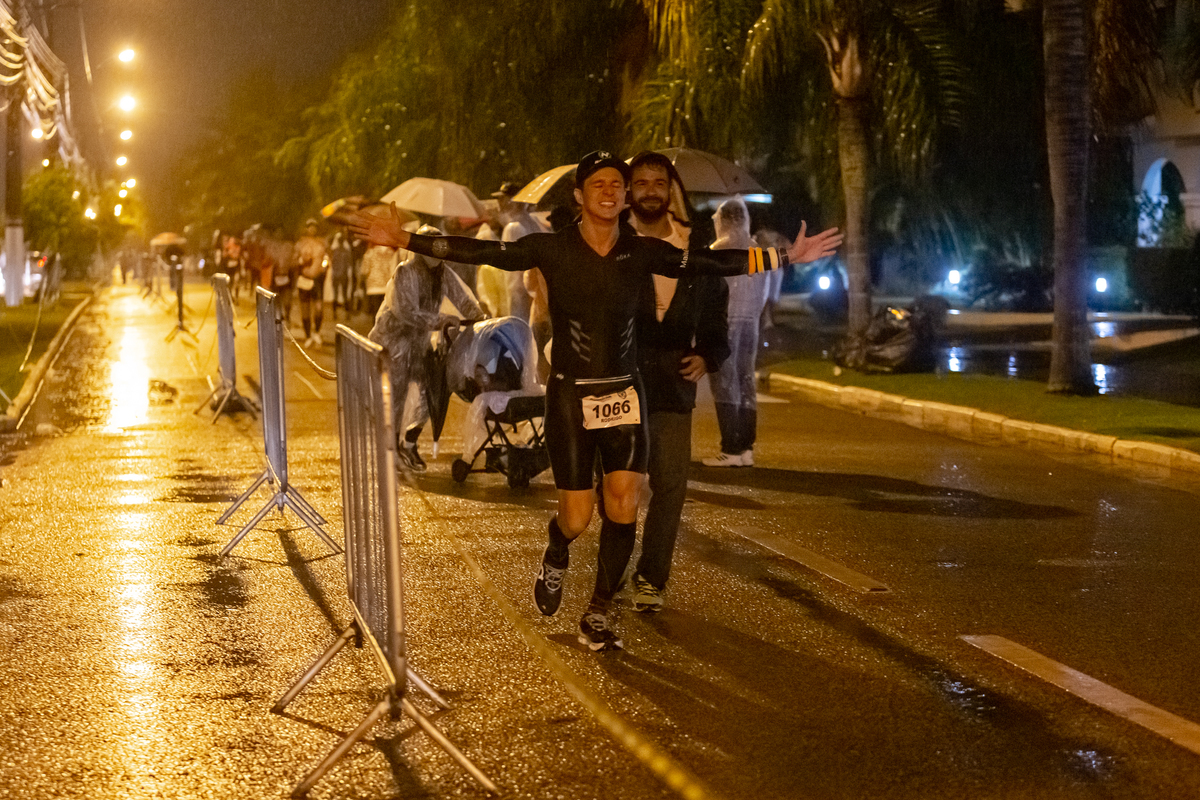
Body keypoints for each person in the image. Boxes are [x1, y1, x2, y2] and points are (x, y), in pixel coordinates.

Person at [348, 151, 842, 652]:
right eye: (598, 184)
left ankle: (600, 610)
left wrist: (785, 257)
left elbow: (712, 262)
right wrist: (406, 239)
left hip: (625, 393)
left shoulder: (642, 251)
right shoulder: (553, 248)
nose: (610, 191)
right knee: (579, 517)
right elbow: (486, 255)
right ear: (580, 196)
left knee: (624, 502)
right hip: (570, 395)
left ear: (624, 197)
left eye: (617, 185)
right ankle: (558, 548)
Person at [622, 150, 729, 613]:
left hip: (671, 382)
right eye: (641, 182)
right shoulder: (612, 242)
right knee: (619, 485)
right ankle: (611, 572)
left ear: (671, 190)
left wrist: (707, 355)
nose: (650, 190)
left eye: (658, 182)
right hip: (619, 378)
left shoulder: (693, 247)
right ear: (629, 190)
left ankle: (650, 578)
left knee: (670, 483)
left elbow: (716, 319)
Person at [368, 224, 484, 472]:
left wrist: (482, 319)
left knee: (434, 389)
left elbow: (464, 300)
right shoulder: (405, 272)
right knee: (396, 397)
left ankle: (409, 441)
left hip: (418, 344)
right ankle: (390, 450)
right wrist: (440, 320)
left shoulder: (444, 273)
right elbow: (406, 312)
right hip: (392, 342)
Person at [703, 198, 771, 467]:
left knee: (724, 383)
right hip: (751, 324)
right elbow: (764, 293)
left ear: (724, 220)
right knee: (746, 381)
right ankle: (746, 448)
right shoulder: (757, 251)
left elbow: (710, 295)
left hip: (725, 324)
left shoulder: (717, 251)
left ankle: (730, 448)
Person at [294, 218, 329, 347]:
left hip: (317, 279)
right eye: (309, 227)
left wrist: (323, 269)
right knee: (305, 309)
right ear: (306, 228)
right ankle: (307, 335)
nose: (312, 229)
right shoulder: (300, 244)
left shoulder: (322, 244)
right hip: (304, 279)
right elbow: (295, 260)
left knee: (319, 308)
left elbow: (326, 259)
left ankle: (317, 332)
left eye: (314, 226)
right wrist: (301, 263)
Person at [328, 228, 354, 320]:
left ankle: (335, 314)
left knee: (336, 294)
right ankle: (346, 314)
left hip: (336, 275)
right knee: (344, 294)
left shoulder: (334, 251)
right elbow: (349, 264)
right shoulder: (346, 251)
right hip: (343, 275)